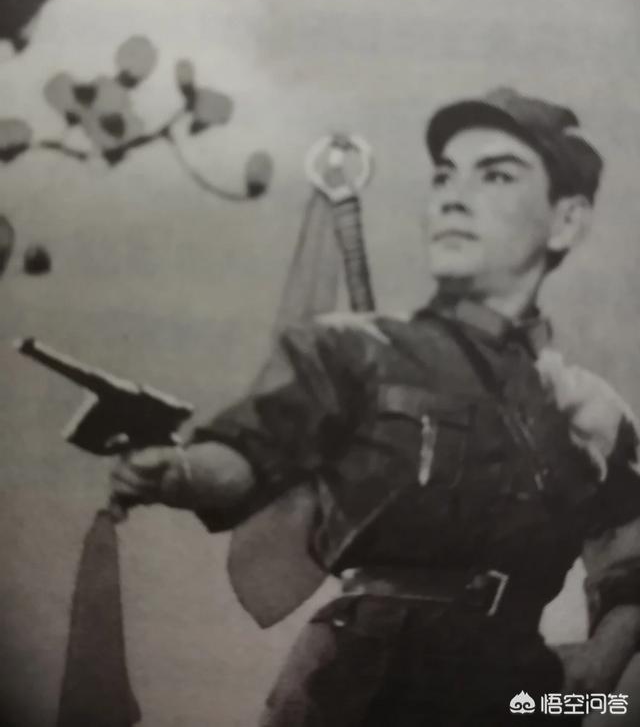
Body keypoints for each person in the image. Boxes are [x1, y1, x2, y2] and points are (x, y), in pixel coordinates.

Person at [111, 87, 640, 726]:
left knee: (618, 711)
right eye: (443, 176)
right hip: (354, 681)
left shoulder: (593, 409)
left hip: (516, 690)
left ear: (566, 221)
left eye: (496, 175)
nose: (452, 196)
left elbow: (630, 558)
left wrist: (598, 674)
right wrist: (180, 473)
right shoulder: (353, 352)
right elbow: (253, 453)